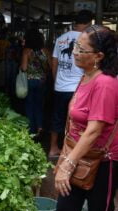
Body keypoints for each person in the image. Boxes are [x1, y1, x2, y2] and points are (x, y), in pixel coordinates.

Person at [45, 25, 118, 211]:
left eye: (81, 49)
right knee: (66, 207)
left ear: (98, 56)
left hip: (103, 160)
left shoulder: (106, 84)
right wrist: (67, 155)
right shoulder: (85, 76)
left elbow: (94, 130)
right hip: (77, 152)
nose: (74, 53)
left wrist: (67, 164)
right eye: (75, 47)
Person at [49, 10, 93, 157]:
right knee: (77, 120)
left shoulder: (61, 38)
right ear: (88, 23)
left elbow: (54, 63)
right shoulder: (86, 39)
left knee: (57, 117)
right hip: (77, 88)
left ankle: (53, 148)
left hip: (60, 87)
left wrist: (57, 81)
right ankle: (72, 151)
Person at [21, 29, 51, 135]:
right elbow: (50, 67)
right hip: (42, 81)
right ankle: (40, 127)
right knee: (39, 105)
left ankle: (31, 129)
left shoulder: (26, 51)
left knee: (29, 105)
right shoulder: (45, 51)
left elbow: (24, 68)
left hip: (29, 81)